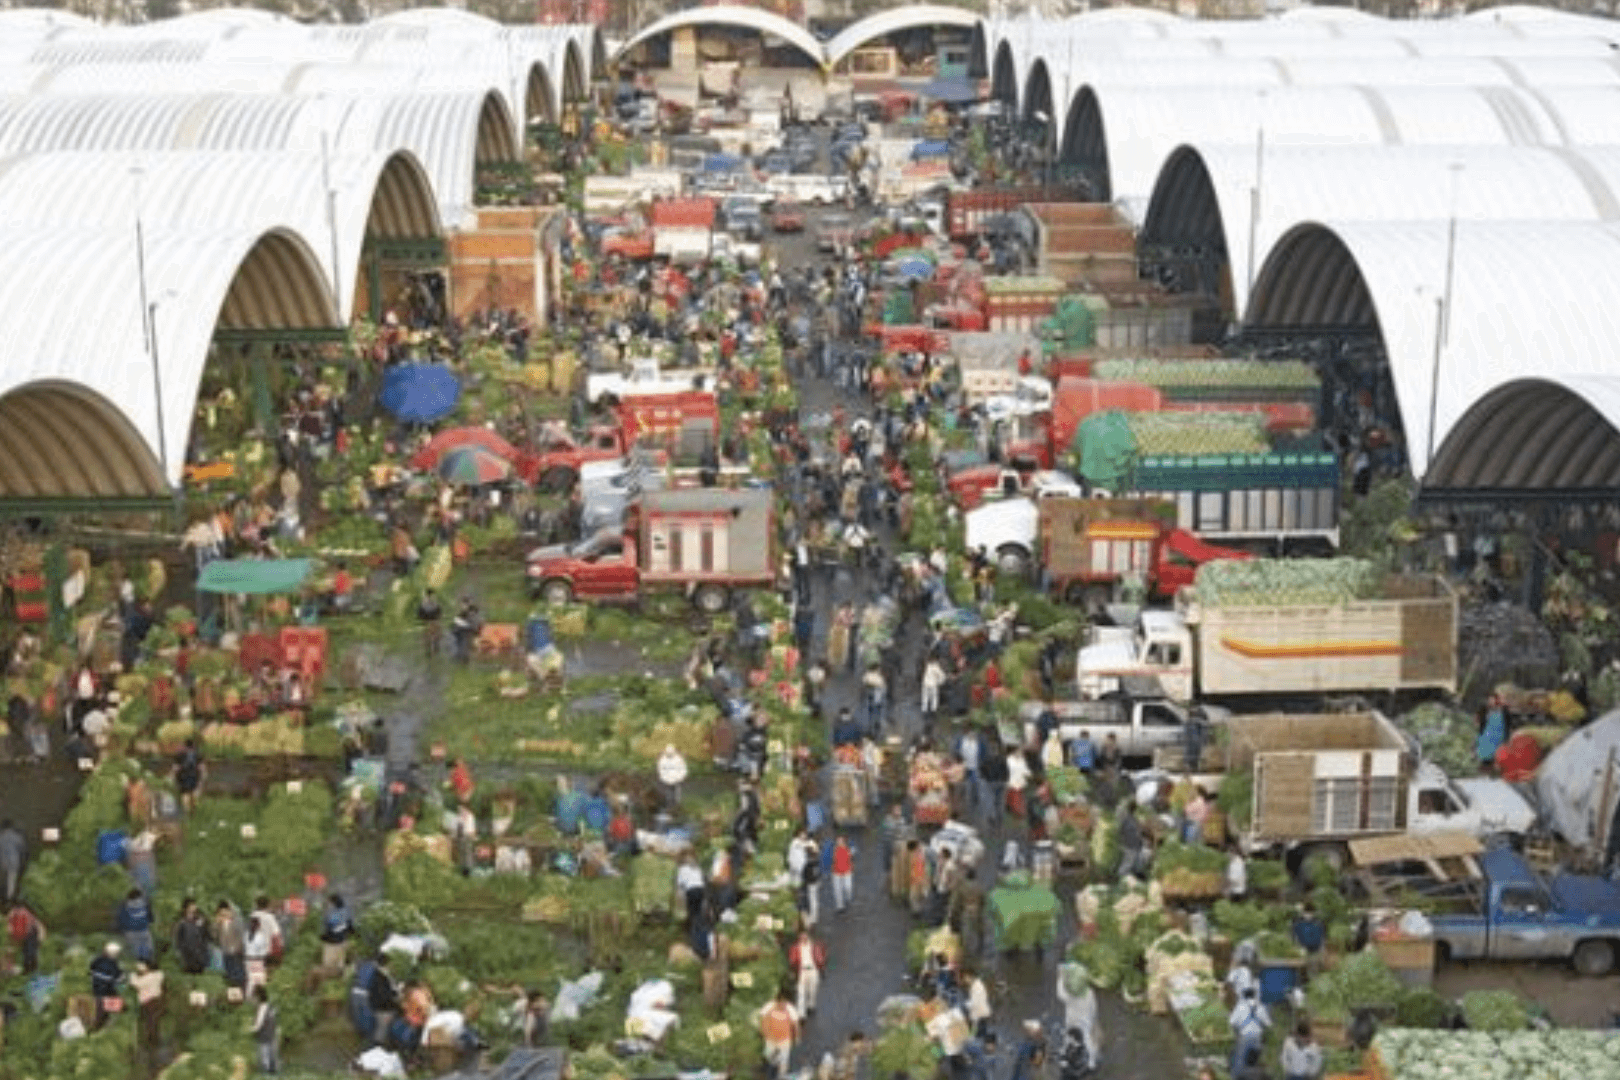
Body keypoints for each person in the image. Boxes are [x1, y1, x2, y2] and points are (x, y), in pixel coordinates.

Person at [1056, 963, 1100, 1073]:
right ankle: (1092, 1063)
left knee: (1068, 1039)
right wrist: (1094, 1020)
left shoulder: (1068, 996)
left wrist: (1060, 977)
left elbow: (1059, 992)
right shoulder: (1089, 992)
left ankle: (1065, 1060)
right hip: (1086, 1021)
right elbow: (1094, 1007)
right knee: (1088, 1039)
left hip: (1072, 1021)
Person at [757, 990, 801, 1079]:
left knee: (784, 1061)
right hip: (771, 1039)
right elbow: (763, 1020)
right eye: (780, 1003)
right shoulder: (769, 1007)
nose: (782, 1006)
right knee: (768, 1056)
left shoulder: (790, 1009)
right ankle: (771, 1068)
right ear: (776, 1001)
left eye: (784, 1003)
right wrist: (763, 1032)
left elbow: (795, 1024)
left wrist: (796, 1037)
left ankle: (781, 1076)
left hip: (784, 1040)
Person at [1229, 986, 1271, 1076]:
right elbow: (1268, 1023)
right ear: (1254, 995)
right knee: (1256, 1061)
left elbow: (1232, 1021)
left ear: (1244, 996)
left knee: (1239, 1066)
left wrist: (1238, 1030)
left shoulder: (1240, 1007)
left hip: (1244, 1037)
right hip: (1258, 1038)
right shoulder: (1260, 1007)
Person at [788, 926, 826, 1018]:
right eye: (802, 937)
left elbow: (821, 956)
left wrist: (821, 966)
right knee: (801, 991)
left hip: (813, 969)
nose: (803, 938)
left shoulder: (815, 946)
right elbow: (792, 960)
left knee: (813, 989)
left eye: (805, 936)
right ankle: (801, 1013)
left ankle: (810, 1005)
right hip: (802, 971)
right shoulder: (795, 948)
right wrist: (793, 969)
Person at [132, 958, 165, 1059]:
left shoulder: (147, 978)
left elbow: (136, 984)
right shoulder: (158, 975)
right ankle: (155, 1040)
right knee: (154, 1021)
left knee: (149, 1021)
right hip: (157, 1000)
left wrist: (132, 975)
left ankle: (151, 1042)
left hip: (147, 1002)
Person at [214, 900, 247, 989]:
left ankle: (241, 992)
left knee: (239, 975)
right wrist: (216, 924)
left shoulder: (238, 921)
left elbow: (242, 937)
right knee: (229, 976)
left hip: (237, 953)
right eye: (221, 913)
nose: (224, 915)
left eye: (225, 912)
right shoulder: (220, 924)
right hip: (226, 953)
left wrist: (236, 948)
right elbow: (214, 937)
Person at [117, 887, 155, 964]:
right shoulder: (145, 903)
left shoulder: (125, 904)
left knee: (135, 956)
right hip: (144, 931)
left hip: (130, 933)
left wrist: (122, 930)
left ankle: (138, 970)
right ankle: (148, 969)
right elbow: (151, 918)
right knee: (147, 954)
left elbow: (121, 919)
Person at [90, 941, 123, 1028]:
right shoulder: (113, 965)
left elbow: (91, 970)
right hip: (107, 993)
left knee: (98, 1013)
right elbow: (119, 979)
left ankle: (96, 1028)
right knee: (105, 1014)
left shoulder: (97, 960)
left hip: (95, 991)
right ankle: (106, 1027)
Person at [174, 898, 209, 975]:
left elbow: (206, 933)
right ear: (186, 907)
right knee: (189, 973)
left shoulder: (201, 919)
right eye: (192, 905)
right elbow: (178, 938)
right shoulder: (182, 922)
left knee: (200, 973)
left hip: (200, 952)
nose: (194, 907)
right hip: (188, 954)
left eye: (194, 905)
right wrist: (180, 950)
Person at [7, 901, 44, 975]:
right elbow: (10, 928)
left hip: (30, 934)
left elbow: (30, 925)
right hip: (25, 935)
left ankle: (32, 970)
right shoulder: (13, 913)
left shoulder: (23, 912)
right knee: (26, 952)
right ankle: (28, 970)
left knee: (30, 952)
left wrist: (40, 935)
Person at [1291, 902, 1326, 980]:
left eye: (1310, 913)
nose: (1308, 915)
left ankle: (1313, 985)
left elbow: (1322, 937)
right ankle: (1302, 984)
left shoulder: (1318, 923)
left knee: (1314, 970)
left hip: (1315, 951)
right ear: (1303, 913)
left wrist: (1322, 949)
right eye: (1306, 913)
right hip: (1301, 950)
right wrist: (1297, 948)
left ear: (1313, 913)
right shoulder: (1298, 923)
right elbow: (1294, 936)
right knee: (1301, 970)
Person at [320, 894, 355, 971]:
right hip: (342, 941)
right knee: (339, 966)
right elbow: (351, 929)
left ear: (332, 903)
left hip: (331, 943)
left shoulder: (330, 914)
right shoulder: (347, 911)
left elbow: (326, 930)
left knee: (328, 966)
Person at [251, 984, 280, 1074]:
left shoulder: (261, 1008)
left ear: (258, 997)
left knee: (265, 1060)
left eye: (254, 997)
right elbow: (275, 1021)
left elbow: (257, 1026)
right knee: (273, 1057)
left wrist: (247, 1029)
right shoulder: (270, 1006)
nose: (253, 1000)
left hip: (264, 1037)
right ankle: (273, 1071)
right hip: (273, 1034)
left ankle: (268, 1072)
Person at [1476, 694, 1508, 773]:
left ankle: (1494, 772)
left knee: (1497, 756)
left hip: (1498, 737)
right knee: (1484, 756)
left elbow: (1507, 724)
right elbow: (1479, 721)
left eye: (1493, 700)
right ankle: (1484, 771)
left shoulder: (1503, 711)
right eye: (1490, 700)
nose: (1491, 702)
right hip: (1486, 737)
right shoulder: (1484, 710)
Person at [174, 738, 205, 812]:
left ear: (184, 745)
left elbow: (176, 768)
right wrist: (202, 779)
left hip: (183, 777)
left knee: (185, 795)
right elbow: (202, 768)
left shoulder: (180, 754)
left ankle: (187, 812)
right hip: (194, 777)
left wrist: (174, 778)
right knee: (193, 795)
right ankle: (193, 812)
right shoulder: (197, 754)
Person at [0, 820, 25, 903]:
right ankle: (9, 898)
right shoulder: (16, 836)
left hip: (3, 861)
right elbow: (21, 847)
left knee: (4, 878)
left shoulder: (1, 836)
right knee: (11, 879)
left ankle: (3, 896)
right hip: (14, 860)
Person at [657, 744, 688, 808]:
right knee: (668, 794)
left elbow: (683, 769)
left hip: (676, 780)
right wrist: (664, 778)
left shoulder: (679, 759)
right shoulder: (663, 759)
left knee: (676, 794)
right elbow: (660, 770)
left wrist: (680, 777)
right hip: (666, 780)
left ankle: (676, 806)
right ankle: (668, 806)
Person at [831, 835, 855, 912]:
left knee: (848, 887)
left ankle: (848, 898)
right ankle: (840, 906)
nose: (839, 842)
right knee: (837, 889)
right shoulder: (834, 849)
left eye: (841, 841)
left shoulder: (849, 849)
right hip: (836, 871)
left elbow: (852, 859)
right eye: (838, 841)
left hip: (847, 871)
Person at [417, 588, 443, 659]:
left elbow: (439, 613)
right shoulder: (425, 604)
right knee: (427, 637)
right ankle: (429, 650)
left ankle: (434, 648)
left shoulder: (433, 603)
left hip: (433, 622)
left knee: (434, 635)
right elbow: (420, 614)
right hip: (428, 622)